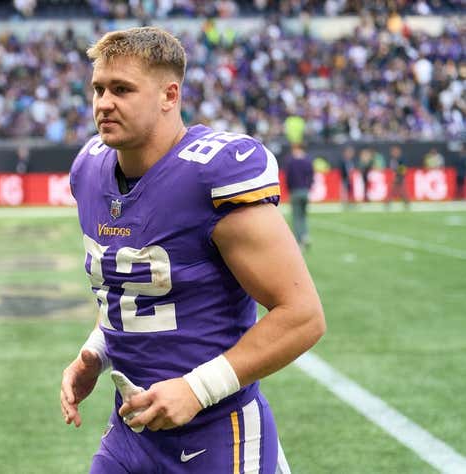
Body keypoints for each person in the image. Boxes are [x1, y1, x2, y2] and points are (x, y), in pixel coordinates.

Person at [60, 27, 325, 474]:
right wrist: (96, 351)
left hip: (218, 431)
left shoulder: (210, 176)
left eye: (122, 89)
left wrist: (196, 389)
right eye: (99, 89)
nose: (104, 103)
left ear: (169, 95)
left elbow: (302, 316)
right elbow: (133, 291)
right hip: (131, 428)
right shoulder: (90, 169)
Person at [285, 143, 314, 250]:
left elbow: (288, 177)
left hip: (295, 191)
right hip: (305, 191)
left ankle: (299, 239)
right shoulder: (307, 161)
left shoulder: (291, 162)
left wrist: (289, 189)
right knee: (303, 215)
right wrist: (308, 187)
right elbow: (311, 176)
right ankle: (305, 235)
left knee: (296, 217)